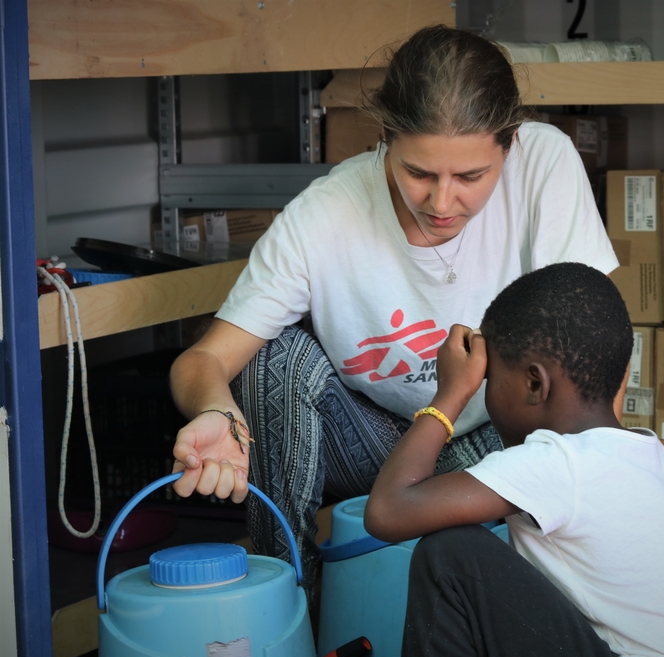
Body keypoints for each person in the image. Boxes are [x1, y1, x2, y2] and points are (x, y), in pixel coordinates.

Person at [167, 25, 619, 602]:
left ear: (510, 144)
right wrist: (217, 412)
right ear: (385, 137)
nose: (441, 202)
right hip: (380, 444)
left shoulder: (544, 163)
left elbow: (599, 347)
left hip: (501, 439)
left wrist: (599, 480)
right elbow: (203, 359)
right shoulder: (324, 216)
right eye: (419, 173)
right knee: (273, 358)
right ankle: (286, 597)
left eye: (471, 177)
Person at [365, 262, 664, 657]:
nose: (483, 393)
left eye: (488, 380)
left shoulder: (560, 463)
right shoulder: (646, 455)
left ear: (535, 384)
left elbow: (388, 510)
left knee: (451, 556)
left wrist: (450, 394)